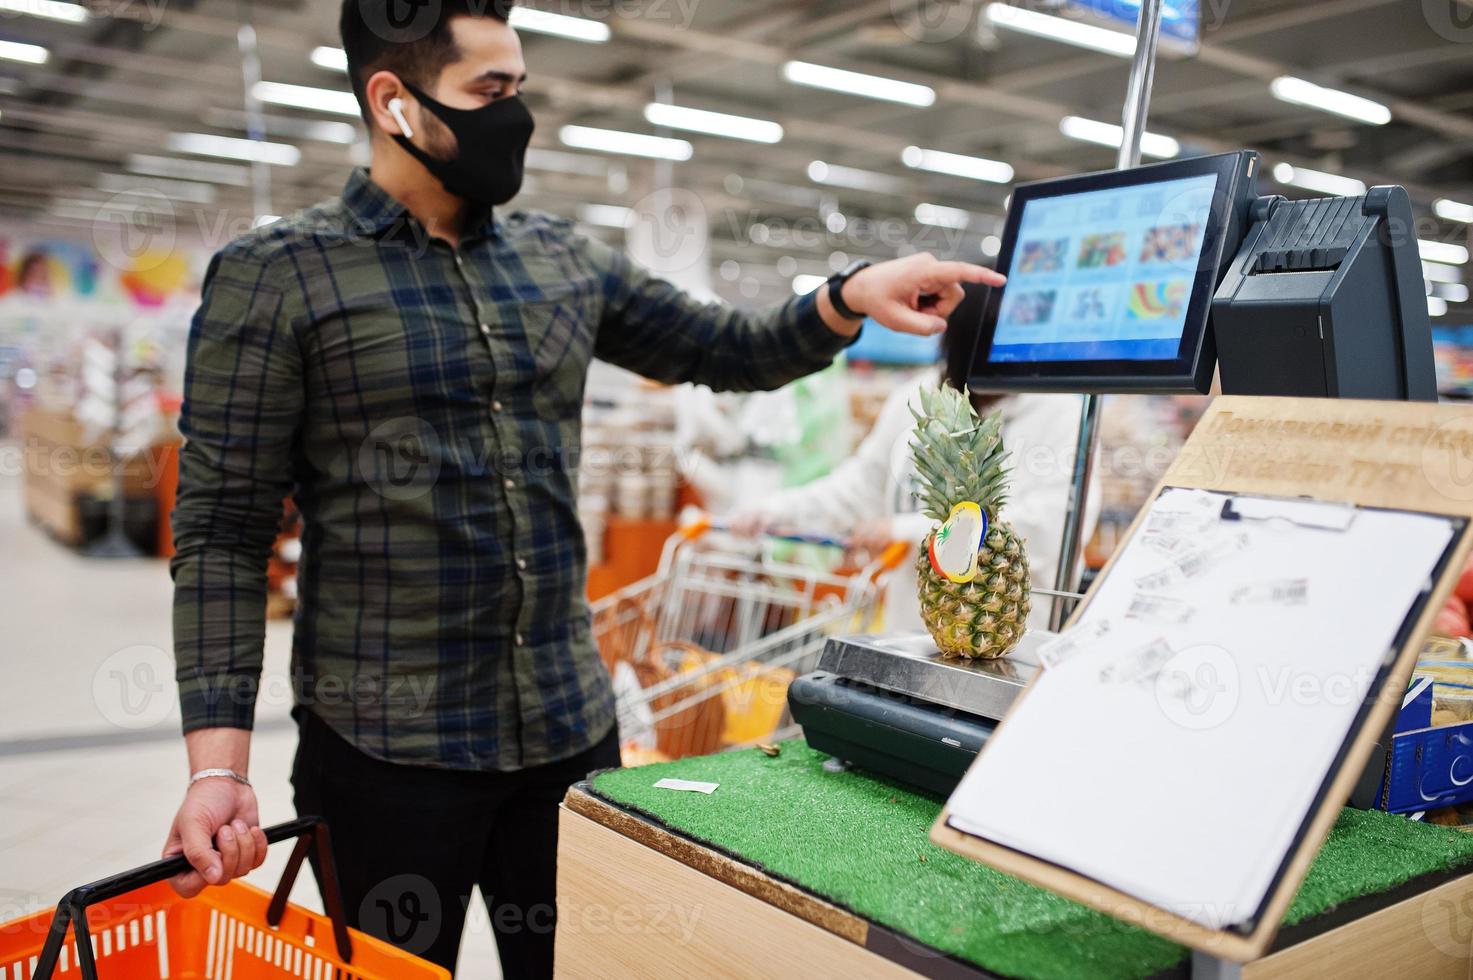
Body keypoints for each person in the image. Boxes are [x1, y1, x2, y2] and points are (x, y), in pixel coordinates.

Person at [160, 1, 1005, 975]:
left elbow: (724, 348)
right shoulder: (277, 278)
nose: (513, 115)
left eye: (520, 88)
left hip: (565, 732)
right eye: (489, 91)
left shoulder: (560, 263)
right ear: (392, 101)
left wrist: (845, 295)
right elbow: (222, 532)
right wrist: (216, 764)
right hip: (385, 751)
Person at [731, 283, 1098, 633]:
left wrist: (905, 530)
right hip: (911, 636)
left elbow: (1047, 527)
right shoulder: (917, 399)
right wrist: (778, 510)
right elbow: (863, 485)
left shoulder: (1060, 414)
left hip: (1009, 645)